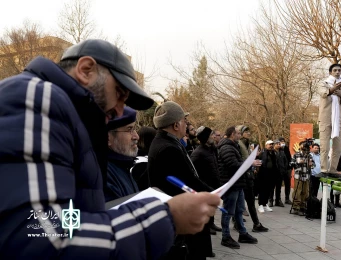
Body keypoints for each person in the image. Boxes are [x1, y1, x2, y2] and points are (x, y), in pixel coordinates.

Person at [0, 39, 220, 259]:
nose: (119, 111)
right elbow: (38, 233)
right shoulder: (37, 97)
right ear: (86, 70)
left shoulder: (68, 120)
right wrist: (165, 218)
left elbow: (67, 219)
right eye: (119, 93)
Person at [148, 101, 215, 259]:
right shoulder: (168, 148)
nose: (187, 124)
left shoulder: (166, 142)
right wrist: (215, 194)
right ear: (176, 125)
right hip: (182, 218)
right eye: (185, 121)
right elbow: (188, 182)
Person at [218, 126, 260, 249]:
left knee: (239, 210)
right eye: (237, 133)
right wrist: (250, 163)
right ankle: (225, 237)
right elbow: (233, 165)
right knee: (228, 211)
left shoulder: (233, 146)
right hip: (231, 184)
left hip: (237, 183)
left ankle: (242, 233)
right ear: (231, 134)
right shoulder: (226, 147)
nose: (239, 135)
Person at [236, 125, 268, 232]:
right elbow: (239, 161)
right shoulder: (238, 144)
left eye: (249, 131)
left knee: (249, 201)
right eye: (246, 131)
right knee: (240, 202)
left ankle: (256, 223)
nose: (249, 133)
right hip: (242, 176)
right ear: (240, 133)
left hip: (248, 175)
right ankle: (243, 223)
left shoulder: (246, 144)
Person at [191, 126, 222, 235]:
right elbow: (192, 170)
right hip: (205, 184)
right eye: (210, 135)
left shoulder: (212, 149)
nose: (213, 137)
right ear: (205, 138)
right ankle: (206, 226)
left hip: (214, 183)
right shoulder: (198, 153)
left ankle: (211, 223)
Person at [105, 107, 140, 201]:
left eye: (135, 129)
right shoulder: (102, 175)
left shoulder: (122, 165)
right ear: (108, 138)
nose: (136, 136)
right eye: (129, 129)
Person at [318, 64, 341, 174]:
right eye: (335, 70)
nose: (337, 72)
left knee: (338, 148)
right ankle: (324, 170)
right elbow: (324, 93)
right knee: (324, 147)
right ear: (330, 72)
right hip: (325, 120)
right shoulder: (323, 83)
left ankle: (333, 170)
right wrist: (335, 88)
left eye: (339, 70)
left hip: (337, 121)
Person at [290, 141, 314, 216]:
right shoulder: (296, 154)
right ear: (300, 146)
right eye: (303, 146)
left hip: (306, 176)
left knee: (305, 192)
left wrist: (311, 164)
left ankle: (302, 207)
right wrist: (298, 163)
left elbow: (313, 165)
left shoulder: (309, 155)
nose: (305, 148)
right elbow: (291, 164)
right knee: (297, 192)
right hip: (298, 176)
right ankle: (295, 207)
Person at [256, 140, 277, 213]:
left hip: (271, 174)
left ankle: (265, 204)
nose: (271, 146)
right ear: (266, 145)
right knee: (262, 190)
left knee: (269, 190)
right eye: (270, 144)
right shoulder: (262, 153)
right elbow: (259, 162)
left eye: (272, 144)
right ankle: (260, 205)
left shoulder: (273, 153)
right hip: (263, 174)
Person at [272, 139, 288, 207]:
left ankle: (278, 200)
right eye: (277, 144)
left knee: (278, 187)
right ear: (274, 145)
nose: (279, 145)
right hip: (273, 172)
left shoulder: (282, 152)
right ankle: (270, 200)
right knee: (272, 187)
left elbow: (285, 161)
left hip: (281, 172)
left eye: (279, 144)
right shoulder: (272, 152)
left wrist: (284, 168)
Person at [279, 137, 292, 204]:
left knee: (287, 184)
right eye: (281, 141)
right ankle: (278, 199)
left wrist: (290, 168)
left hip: (287, 169)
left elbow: (289, 158)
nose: (282, 143)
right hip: (280, 169)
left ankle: (287, 198)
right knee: (279, 184)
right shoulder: (278, 149)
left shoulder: (286, 149)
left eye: (283, 141)